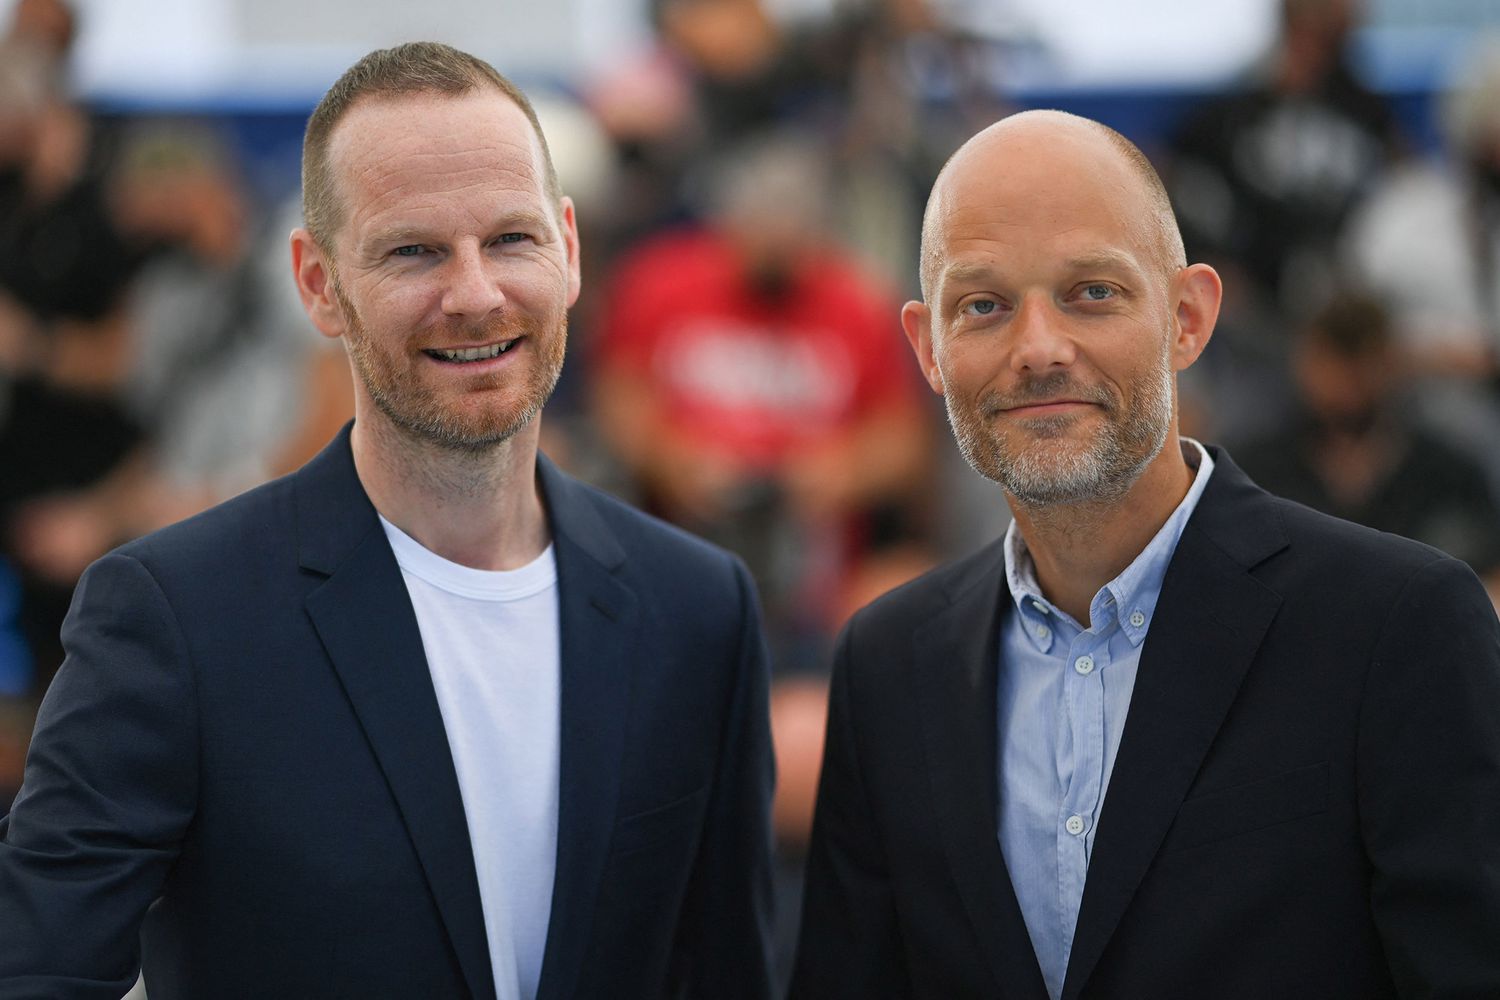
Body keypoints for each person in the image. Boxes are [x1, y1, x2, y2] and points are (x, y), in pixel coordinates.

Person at [0, 42, 774, 1000]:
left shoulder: (697, 609)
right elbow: (36, 971)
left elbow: (727, 969)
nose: (476, 293)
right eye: (413, 250)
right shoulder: (175, 616)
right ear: (319, 283)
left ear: (569, 250)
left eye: (511, 239)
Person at [790, 109, 1500, 999]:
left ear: (1189, 319)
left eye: (1093, 292)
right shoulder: (886, 664)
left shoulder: (1399, 625)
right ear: (929, 349)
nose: (1039, 349)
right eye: (984, 305)